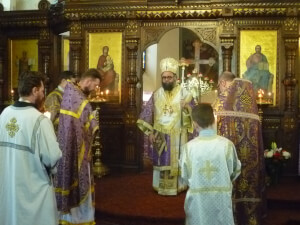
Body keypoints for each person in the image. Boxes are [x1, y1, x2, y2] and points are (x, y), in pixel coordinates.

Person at [0, 71, 62, 225]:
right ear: (34, 91)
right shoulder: (40, 120)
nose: (43, 95)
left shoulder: (4, 114)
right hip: (33, 191)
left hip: (9, 186)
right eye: (42, 91)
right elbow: (52, 159)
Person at [214, 71, 266, 225]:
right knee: (247, 183)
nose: (219, 88)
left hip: (228, 156)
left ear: (223, 83)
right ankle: (251, 218)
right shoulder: (250, 105)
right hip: (249, 158)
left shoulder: (220, 104)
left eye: (218, 85)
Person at [137, 57, 193, 196]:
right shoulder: (156, 95)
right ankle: (160, 186)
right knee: (162, 161)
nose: (166, 80)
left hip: (178, 134)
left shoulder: (185, 94)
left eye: (169, 77)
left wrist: (186, 108)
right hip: (160, 134)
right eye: (164, 77)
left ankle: (179, 186)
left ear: (175, 77)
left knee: (177, 160)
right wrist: (149, 132)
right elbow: (146, 114)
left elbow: (193, 120)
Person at [179, 103, 241, 225]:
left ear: (195, 123)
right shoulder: (227, 145)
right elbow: (235, 171)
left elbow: (184, 176)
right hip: (221, 199)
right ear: (213, 120)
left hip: (198, 201)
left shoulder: (188, 148)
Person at [54, 68, 101, 225]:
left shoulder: (70, 92)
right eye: (95, 85)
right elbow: (88, 126)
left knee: (68, 177)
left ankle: (68, 218)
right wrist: (93, 120)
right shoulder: (79, 99)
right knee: (80, 180)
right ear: (88, 81)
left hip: (67, 147)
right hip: (78, 149)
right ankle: (80, 219)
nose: (95, 90)